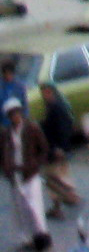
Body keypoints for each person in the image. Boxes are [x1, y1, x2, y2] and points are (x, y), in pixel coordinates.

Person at [0, 97, 48, 244]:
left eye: (16, 113)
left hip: (31, 173)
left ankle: (42, 237)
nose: (15, 116)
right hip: (15, 175)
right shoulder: (6, 134)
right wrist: (5, 170)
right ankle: (27, 238)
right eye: (11, 114)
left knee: (34, 207)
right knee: (20, 210)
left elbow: (44, 149)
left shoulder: (32, 128)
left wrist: (36, 164)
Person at [33, 84, 79, 222]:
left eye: (45, 93)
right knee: (58, 177)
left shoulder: (56, 107)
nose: (44, 96)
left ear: (50, 92)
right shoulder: (55, 106)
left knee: (52, 178)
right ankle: (58, 206)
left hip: (56, 150)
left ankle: (70, 198)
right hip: (56, 148)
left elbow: (63, 129)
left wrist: (60, 148)